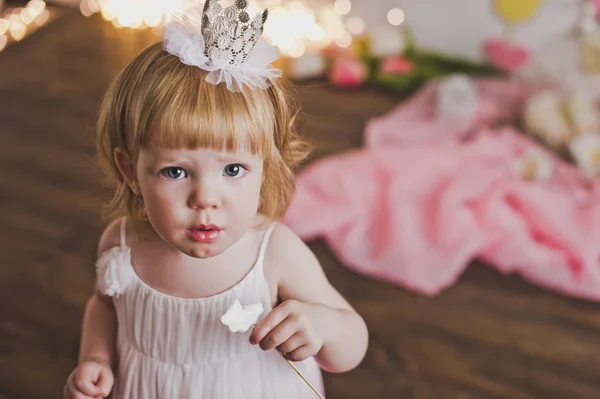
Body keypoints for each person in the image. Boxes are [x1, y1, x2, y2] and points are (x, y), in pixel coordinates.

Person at [63, 1, 368, 398]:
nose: (205, 198)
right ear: (130, 171)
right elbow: (104, 306)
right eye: (175, 172)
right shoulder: (122, 244)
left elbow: (351, 346)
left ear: (264, 167)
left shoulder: (274, 253)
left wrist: (323, 325)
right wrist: (96, 359)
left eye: (233, 170)